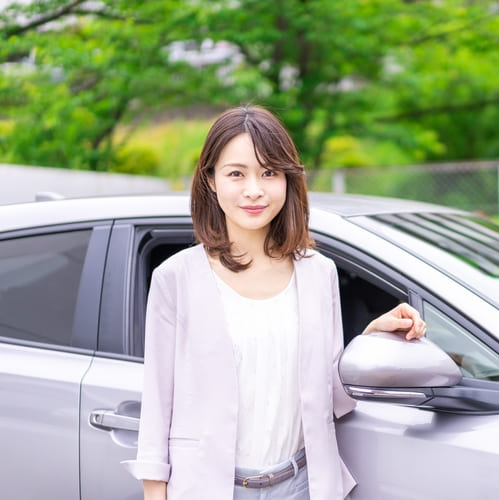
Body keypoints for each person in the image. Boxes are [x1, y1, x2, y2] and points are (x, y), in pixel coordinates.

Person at [122, 105, 426, 500]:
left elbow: (331, 398)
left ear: (288, 179)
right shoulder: (175, 278)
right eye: (236, 173)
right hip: (210, 489)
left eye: (269, 173)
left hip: (302, 486)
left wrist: (373, 339)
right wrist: (155, 493)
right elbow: (158, 405)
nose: (254, 189)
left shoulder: (318, 273)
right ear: (211, 180)